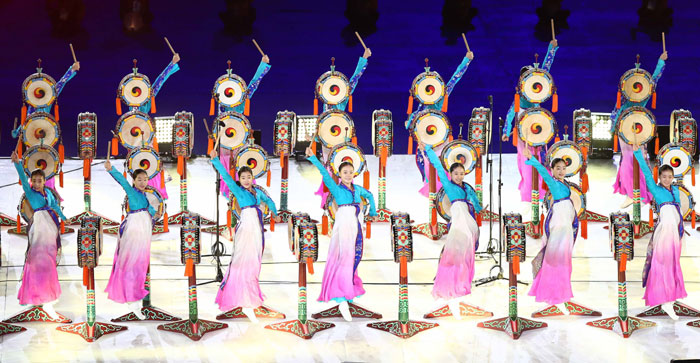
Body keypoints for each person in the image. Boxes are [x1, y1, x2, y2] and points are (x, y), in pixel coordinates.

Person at [305, 146, 378, 321]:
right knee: (342, 258)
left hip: (355, 226)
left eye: (351, 172)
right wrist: (313, 157)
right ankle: (341, 297)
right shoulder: (336, 188)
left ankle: (347, 290)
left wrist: (373, 212)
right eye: (345, 172)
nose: (348, 175)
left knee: (352, 259)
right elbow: (324, 172)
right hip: (343, 227)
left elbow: (370, 196)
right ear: (339, 174)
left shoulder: (358, 189)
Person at [209, 149, 281, 323]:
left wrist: (275, 213)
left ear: (252, 177)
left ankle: (249, 297)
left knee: (254, 263)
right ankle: (245, 302)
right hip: (245, 229)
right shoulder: (238, 191)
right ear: (239, 180)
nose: (247, 180)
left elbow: (269, 201)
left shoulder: (258, 191)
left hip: (256, 228)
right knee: (242, 262)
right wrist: (215, 161)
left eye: (249, 177)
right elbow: (226, 177)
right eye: (243, 178)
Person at [419, 142, 481, 319]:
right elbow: (438, 166)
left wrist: (478, 208)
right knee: (452, 257)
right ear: (451, 174)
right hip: (458, 225)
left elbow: (476, 203)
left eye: (462, 173)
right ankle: (448, 290)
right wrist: (429, 150)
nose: (459, 176)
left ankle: (459, 289)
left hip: (469, 224)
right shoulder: (448, 185)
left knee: (464, 258)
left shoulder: (467, 187)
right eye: (456, 173)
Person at [501, 40, 559, 211]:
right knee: (526, 162)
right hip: (523, 130)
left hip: (539, 127)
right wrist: (506, 130)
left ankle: (544, 192)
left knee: (542, 159)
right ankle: (528, 196)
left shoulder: (538, 93)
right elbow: (511, 112)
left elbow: (546, 69)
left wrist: (552, 49)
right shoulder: (519, 97)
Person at [407, 50, 474, 197]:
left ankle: (446, 196)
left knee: (443, 169)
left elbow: (455, 78)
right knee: (429, 171)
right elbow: (409, 126)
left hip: (441, 140)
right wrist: (410, 122)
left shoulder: (442, 96)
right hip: (426, 144)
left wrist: (466, 60)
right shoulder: (420, 107)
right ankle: (434, 199)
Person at [103, 159, 162, 319]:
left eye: (145, 179)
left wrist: (154, 213)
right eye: (139, 180)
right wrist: (111, 169)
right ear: (134, 181)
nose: (143, 182)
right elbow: (122, 181)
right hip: (134, 230)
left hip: (143, 230)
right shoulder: (131, 191)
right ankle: (132, 300)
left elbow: (147, 207)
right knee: (131, 263)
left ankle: (134, 297)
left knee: (140, 264)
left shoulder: (144, 195)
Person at [12, 151, 66, 320]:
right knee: (36, 262)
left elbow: (55, 207)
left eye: (39, 181)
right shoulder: (31, 194)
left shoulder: (49, 193)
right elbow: (23, 178)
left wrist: (63, 218)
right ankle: (38, 295)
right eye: (34, 181)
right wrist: (17, 164)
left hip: (50, 229)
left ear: (44, 181)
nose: (36, 183)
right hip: (39, 230)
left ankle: (47, 297)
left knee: (49, 263)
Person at [633, 143, 686, 320]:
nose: (667, 179)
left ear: (673, 177)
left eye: (669, 176)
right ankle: (665, 300)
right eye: (664, 176)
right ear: (660, 177)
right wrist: (638, 153)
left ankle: (669, 298)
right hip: (664, 233)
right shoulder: (656, 190)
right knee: (662, 265)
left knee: (673, 266)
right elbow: (647, 174)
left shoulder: (676, 190)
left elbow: (678, 211)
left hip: (675, 232)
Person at [314, 48, 371, 208]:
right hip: (327, 141)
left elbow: (355, 78)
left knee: (344, 170)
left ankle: (347, 202)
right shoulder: (325, 101)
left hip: (341, 139)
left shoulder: (343, 97)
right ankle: (330, 207)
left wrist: (364, 59)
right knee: (329, 173)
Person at [523, 146, 577, 314]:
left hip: (566, 224)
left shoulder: (565, 183)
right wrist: (532, 159)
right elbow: (542, 171)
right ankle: (555, 295)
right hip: (559, 224)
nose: (561, 171)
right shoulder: (553, 183)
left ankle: (559, 293)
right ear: (552, 170)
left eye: (563, 168)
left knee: (563, 259)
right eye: (557, 168)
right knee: (555, 259)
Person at [13, 61, 80, 191]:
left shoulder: (47, 101)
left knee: (46, 166)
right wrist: (17, 132)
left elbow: (61, 83)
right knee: (33, 166)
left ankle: (49, 195)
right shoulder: (30, 107)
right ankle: (33, 196)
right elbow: (26, 124)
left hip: (45, 138)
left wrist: (71, 69)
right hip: (31, 141)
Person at [612, 51, 668, 208]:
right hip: (624, 131)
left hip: (639, 130)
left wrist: (661, 62)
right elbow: (615, 117)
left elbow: (653, 80)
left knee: (640, 161)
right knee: (627, 162)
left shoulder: (642, 99)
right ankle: (631, 193)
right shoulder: (623, 101)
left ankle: (644, 194)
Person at [215, 54, 271, 199]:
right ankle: (230, 201)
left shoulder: (242, 100)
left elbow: (254, 83)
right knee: (227, 170)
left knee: (241, 167)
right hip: (226, 142)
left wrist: (262, 65)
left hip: (240, 140)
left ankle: (245, 196)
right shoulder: (221, 102)